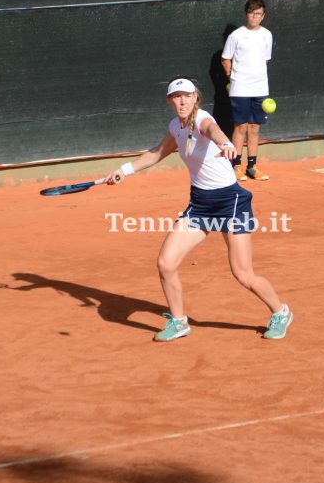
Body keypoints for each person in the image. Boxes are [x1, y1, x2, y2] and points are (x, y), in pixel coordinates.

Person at [104, 77, 293, 342]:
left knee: (243, 273)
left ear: (196, 99)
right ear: (170, 101)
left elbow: (213, 130)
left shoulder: (203, 119)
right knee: (166, 263)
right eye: (176, 96)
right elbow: (158, 152)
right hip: (201, 204)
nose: (181, 101)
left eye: (186, 96)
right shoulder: (175, 126)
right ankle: (180, 322)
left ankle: (280, 311)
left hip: (231, 203)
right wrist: (124, 171)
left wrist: (226, 144)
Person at [221, 0, 273, 182]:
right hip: (240, 88)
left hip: (260, 88)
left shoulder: (267, 35)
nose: (255, 17)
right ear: (246, 14)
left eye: (258, 14)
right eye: (252, 13)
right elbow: (226, 59)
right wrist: (232, 78)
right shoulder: (236, 35)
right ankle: (235, 166)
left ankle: (252, 167)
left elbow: (265, 59)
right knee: (240, 127)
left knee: (254, 127)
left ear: (263, 16)